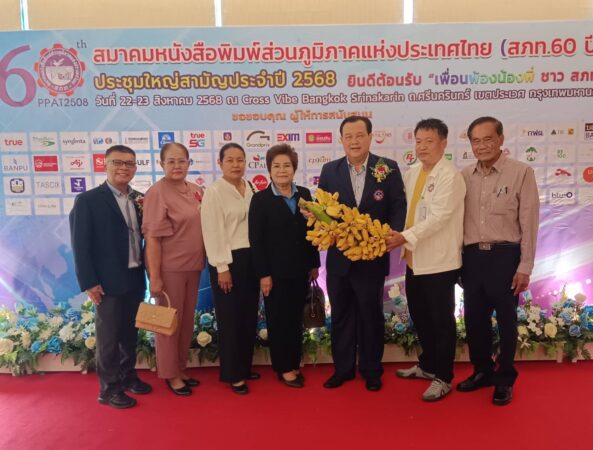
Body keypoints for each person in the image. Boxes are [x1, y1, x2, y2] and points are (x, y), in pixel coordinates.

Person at [317, 116, 406, 391]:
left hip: (372, 257)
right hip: (340, 259)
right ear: (341, 139)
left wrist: (393, 234)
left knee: (370, 315)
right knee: (341, 315)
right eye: (348, 136)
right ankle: (343, 369)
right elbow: (322, 210)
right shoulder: (329, 170)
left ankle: (371, 370)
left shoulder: (387, 168)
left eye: (359, 135)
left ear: (370, 137)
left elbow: (398, 206)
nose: (354, 141)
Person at [457, 116, 539, 406]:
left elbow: (529, 222)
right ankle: (482, 371)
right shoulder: (463, 176)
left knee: (506, 322)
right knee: (474, 320)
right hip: (472, 258)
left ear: (501, 139)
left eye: (488, 139)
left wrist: (525, 266)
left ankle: (504, 379)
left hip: (505, 256)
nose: (482, 146)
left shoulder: (521, 172)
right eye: (476, 141)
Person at [389, 119, 466, 401]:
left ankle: (444, 377)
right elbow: (403, 209)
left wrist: (403, 237)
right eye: (418, 141)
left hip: (439, 263)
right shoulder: (412, 172)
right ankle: (428, 365)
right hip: (414, 260)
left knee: (441, 321)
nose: (422, 147)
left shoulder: (450, 176)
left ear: (443, 143)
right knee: (421, 316)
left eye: (429, 141)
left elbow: (439, 218)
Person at [69, 145, 151, 409]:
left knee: (130, 334)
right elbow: (80, 245)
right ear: (105, 165)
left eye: (129, 163)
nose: (124, 168)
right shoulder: (89, 200)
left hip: (135, 277)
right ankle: (109, 389)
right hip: (106, 282)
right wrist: (89, 282)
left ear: (135, 168)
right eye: (118, 162)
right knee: (109, 338)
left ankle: (128, 377)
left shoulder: (139, 199)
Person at [249, 144, 320, 388]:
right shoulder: (260, 200)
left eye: (286, 165)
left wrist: (314, 263)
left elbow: (312, 232)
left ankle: (293, 361)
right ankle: (284, 367)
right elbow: (256, 240)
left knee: (295, 319)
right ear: (269, 169)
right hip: (275, 274)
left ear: (294, 168)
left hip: (300, 270)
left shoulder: (304, 194)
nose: (282, 170)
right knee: (279, 320)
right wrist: (263, 274)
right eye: (276, 166)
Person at [142, 142, 206, 396]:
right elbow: (152, 239)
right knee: (168, 324)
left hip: (194, 267)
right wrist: (155, 277)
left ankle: (180, 367)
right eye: (171, 161)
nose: (177, 166)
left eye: (182, 161)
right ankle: (170, 374)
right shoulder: (156, 193)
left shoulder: (195, 190)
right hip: (170, 270)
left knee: (186, 321)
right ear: (161, 164)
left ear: (189, 163)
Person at [201, 143, 260, 395]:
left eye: (240, 160)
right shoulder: (214, 192)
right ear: (220, 163)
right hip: (227, 261)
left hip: (251, 259)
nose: (236, 165)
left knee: (248, 315)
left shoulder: (251, 187)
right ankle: (233, 373)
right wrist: (222, 267)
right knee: (230, 318)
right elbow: (212, 232)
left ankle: (244, 366)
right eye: (230, 160)